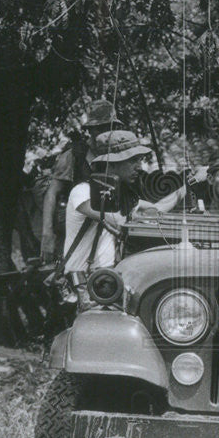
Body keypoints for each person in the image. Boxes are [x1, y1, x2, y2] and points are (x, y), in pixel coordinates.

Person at [61, 130, 152, 306]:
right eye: (133, 161)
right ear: (112, 164)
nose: (138, 167)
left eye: (139, 160)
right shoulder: (82, 192)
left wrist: (186, 187)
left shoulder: (120, 198)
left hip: (106, 277)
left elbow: (158, 208)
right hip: (85, 280)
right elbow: (116, 221)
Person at [41, 99, 116, 263]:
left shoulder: (118, 156)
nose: (106, 133)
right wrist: (47, 233)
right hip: (75, 228)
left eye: (110, 128)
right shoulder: (74, 155)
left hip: (107, 227)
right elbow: (52, 193)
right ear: (91, 130)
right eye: (100, 128)